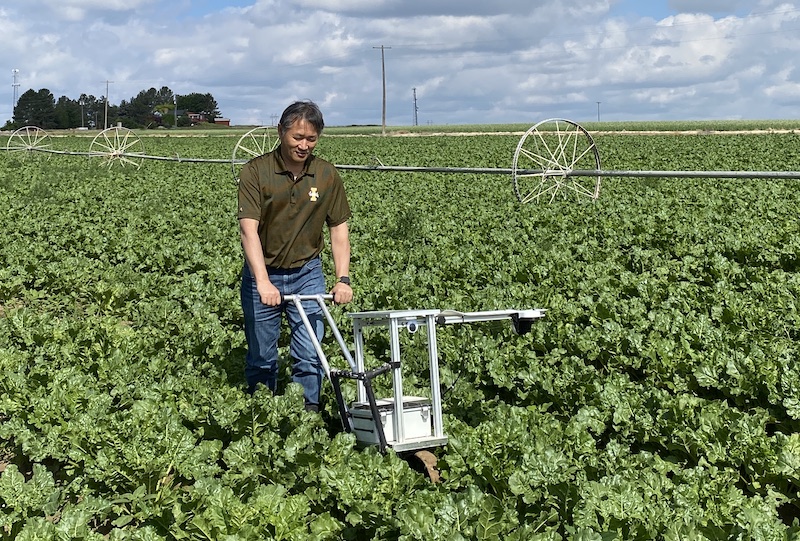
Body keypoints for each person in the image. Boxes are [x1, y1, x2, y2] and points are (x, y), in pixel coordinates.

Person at [237, 100, 353, 411]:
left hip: (307, 273)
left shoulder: (326, 175)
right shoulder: (256, 172)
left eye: (311, 139)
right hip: (264, 272)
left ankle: (307, 417)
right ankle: (261, 418)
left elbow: (339, 229)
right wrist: (263, 282)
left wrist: (342, 279)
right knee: (262, 355)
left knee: (310, 351)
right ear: (280, 132)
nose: (304, 145)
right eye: (297, 137)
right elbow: (249, 231)